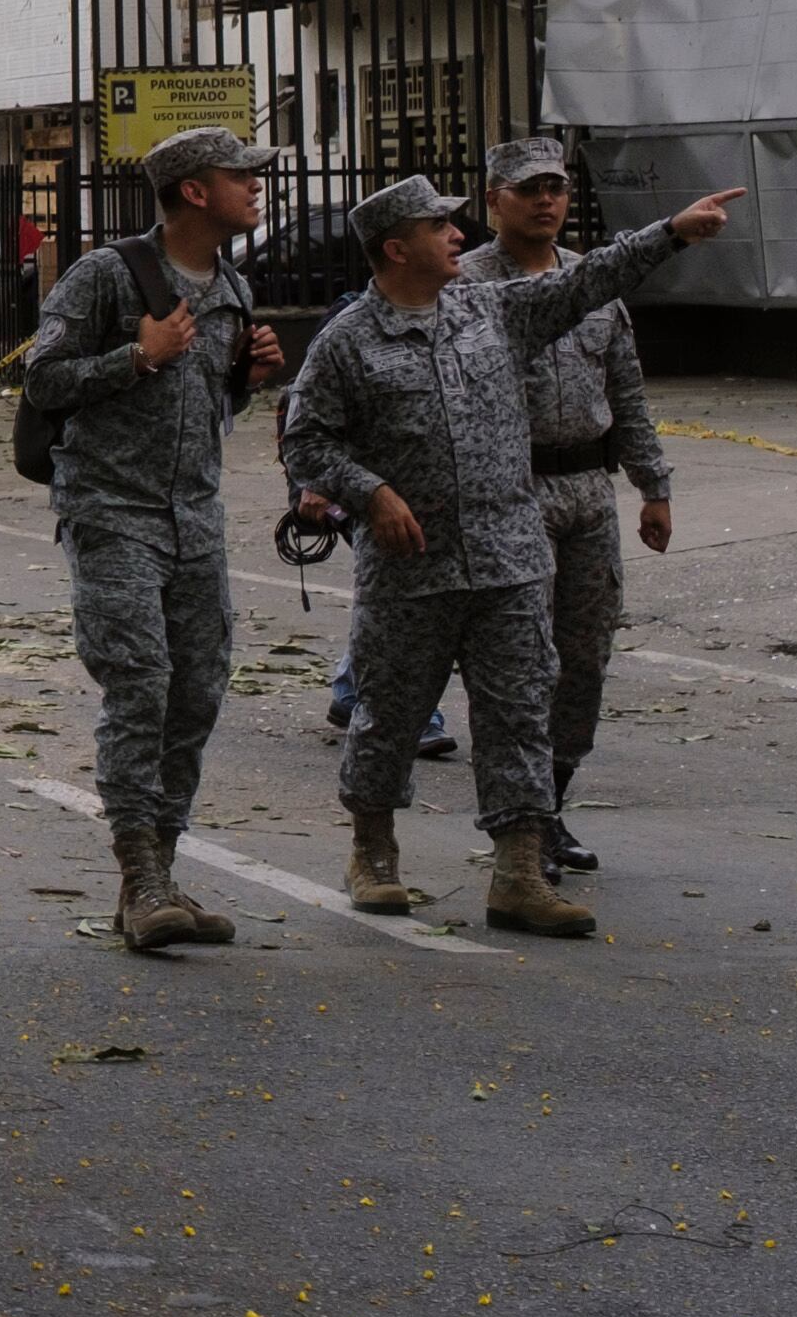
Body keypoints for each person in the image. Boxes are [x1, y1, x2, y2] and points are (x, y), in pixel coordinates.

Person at [279, 170, 739, 935]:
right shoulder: (348, 341)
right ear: (396, 248)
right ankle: (374, 852)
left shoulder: (490, 309)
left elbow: (590, 279)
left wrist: (670, 232)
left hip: (510, 557)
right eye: (439, 227)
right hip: (411, 568)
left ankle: (519, 872)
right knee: (390, 713)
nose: (458, 235)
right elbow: (305, 438)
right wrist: (371, 492)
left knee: (521, 711)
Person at [18, 127, 288, 950]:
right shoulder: (109, 274)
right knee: (141, 684)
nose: (255, 185)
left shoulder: (232, 284)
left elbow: (207, 411)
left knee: (196, 692)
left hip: (196, 520)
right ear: (196, 191)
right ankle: (140, 880)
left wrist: (247, 376)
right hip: (113, 512)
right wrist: (136, 354)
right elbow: (43, 376)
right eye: (240, 174)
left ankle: (162, 872)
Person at [455, 134, 670, 877]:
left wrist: (654, 485)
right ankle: (518, 830)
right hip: (510, 493)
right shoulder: (464, 285)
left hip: (587, 492)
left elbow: (627, 390)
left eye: (556, 187)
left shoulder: (592, 280)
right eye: (529, 188)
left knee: (583, 661)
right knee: (519, 667)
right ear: (493, 199)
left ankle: (550, 807)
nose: (547, 200)